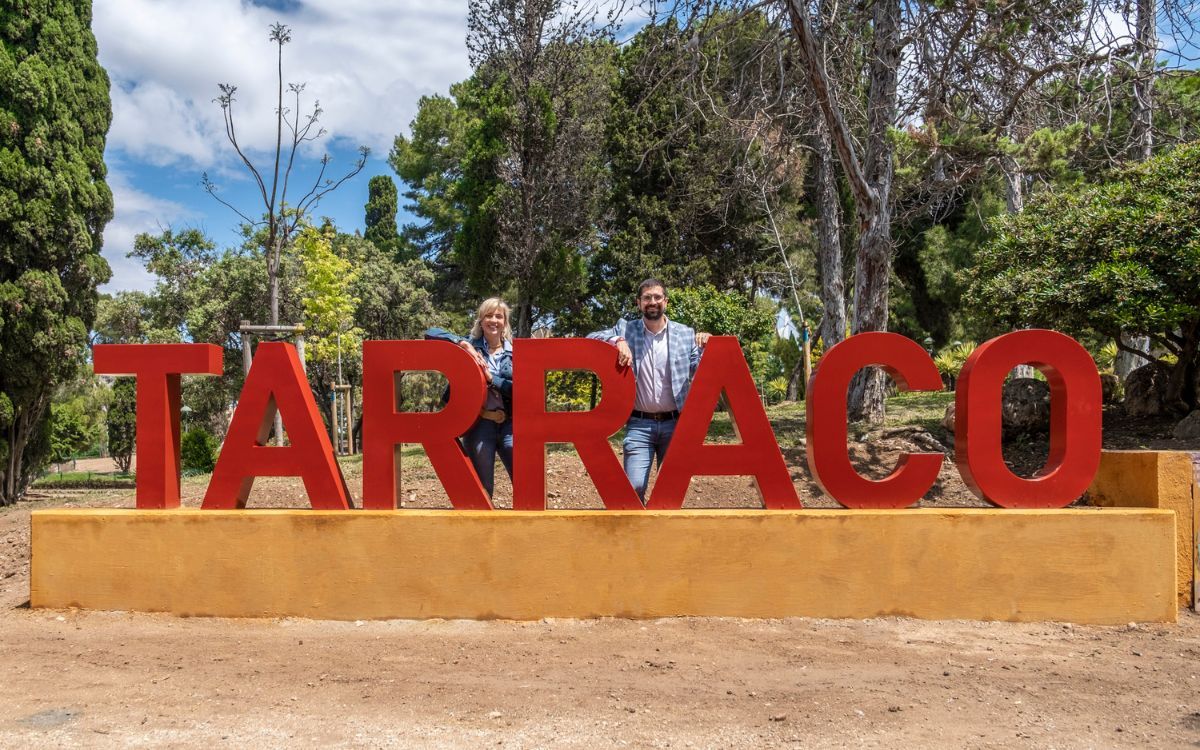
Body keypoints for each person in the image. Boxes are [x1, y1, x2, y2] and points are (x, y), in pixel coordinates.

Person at [588, 279, 711, 502]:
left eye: (656, 297)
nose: (651, 302)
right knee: (633, 488)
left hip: (675, 424)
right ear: (638, 303)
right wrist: (617, 340)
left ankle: (664, 536)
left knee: (672, 492)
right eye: (646, 298)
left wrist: (707, 347)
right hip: (639, 424)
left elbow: (697, 369)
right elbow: (590, 338)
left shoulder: (685, 333)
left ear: (666, 302)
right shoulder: (626, 328)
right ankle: (637, 535)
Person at [425, 298, 514, 498]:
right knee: (482, 490)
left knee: (526, 482)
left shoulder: (515, 353)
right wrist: (463, 343)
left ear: (505, 322)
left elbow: (521, 391)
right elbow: (431, 333)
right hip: (480, 424)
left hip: (511, 425)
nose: (494, 320)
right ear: (481, 321)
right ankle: (484, 528)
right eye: (488, 316)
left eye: (499, 316)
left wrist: (492, 379)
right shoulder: (470, 348)